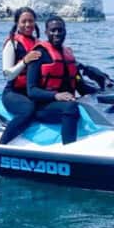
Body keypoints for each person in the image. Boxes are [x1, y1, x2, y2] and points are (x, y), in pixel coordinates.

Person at [26, 15, 93, 144]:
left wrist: (102, 91)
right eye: (53, 30)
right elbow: (32, 91)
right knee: (70, 107)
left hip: (64, 102)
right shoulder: (38, 54)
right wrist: (56, 96)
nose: (57, 34)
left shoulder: (68, 54)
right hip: (42, 107)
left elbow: (81, 87)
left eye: (60, 30)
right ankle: (69, 149)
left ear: (65, 32)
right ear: (46, 33)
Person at [0, 7, 42, 145]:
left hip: (33, 91)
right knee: (28, 110)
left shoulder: (39, 44)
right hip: (13, 93)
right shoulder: (12, 43)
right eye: (24, 21)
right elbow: (8, 75)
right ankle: (2, 144)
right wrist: (24, 61)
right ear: (17, 23)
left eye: (31, 21)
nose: (28, 25)